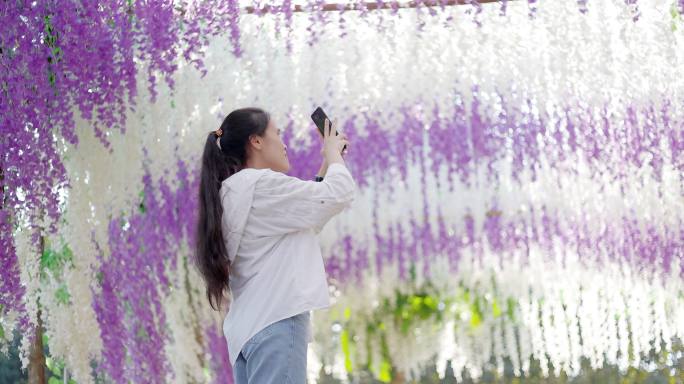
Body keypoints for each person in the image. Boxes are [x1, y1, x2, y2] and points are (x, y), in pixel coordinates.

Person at [195, 107, 355, 383]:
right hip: (277, 322)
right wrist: (333, 156)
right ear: (256, 141)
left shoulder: (232, 191)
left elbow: (304, 222)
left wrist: (328, 166)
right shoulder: (260, 185)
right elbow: (339, 194)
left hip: (250, 333)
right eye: (277, 134)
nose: (284, 144)